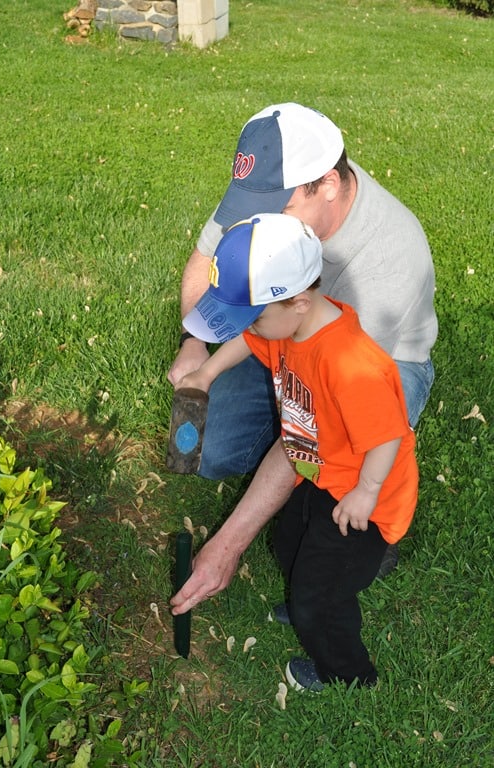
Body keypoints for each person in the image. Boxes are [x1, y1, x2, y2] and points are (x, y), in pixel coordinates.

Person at [167, 102, 437, 578]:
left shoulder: (388, 258)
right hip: (279, 334)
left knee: (347, 454)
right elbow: (205, 257)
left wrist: (228, 544)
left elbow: (313, 421)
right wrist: (196, 343)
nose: (260, 220)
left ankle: (371, 527)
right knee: (212, 453)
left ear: (328, 185)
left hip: (379, 363)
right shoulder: (264, 193)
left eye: (281, 208)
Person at [171, 214, 419, 690]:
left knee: (318, 595)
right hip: (324, 472)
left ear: (299, 302)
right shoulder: (288, 325)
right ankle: (311, 592)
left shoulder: (350, 362)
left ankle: (347, 673)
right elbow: (249, 341)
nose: (252, 328)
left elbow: (387, 435)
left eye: (256, 317)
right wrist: (206, 374)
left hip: (364, 499)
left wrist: (366, 492)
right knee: (289, 542)